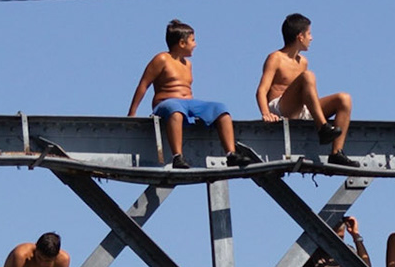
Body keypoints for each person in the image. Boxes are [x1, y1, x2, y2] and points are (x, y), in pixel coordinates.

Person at [128, 19, 261, 170]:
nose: (195, 44)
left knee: (220, 108)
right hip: (167, 103)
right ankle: (177, 156)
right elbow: (143, 85)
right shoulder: (162, 59)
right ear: (182, 43)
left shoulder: (188, 64)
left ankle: (231, 154)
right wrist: (132, 113)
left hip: (189, 103)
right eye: (192, 40)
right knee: (176, 109)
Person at [255, 13, 358, 166]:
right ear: (300, 37)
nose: (311, 38)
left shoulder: (303, 62)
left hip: (301, 109)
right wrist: (266, 113)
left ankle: (336, 153)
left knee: (344, 99)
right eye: (309, 34)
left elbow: (307, 93)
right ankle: (322, 127)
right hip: (281, 107)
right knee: (308, 76)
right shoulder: (275, 58)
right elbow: (261, 90)